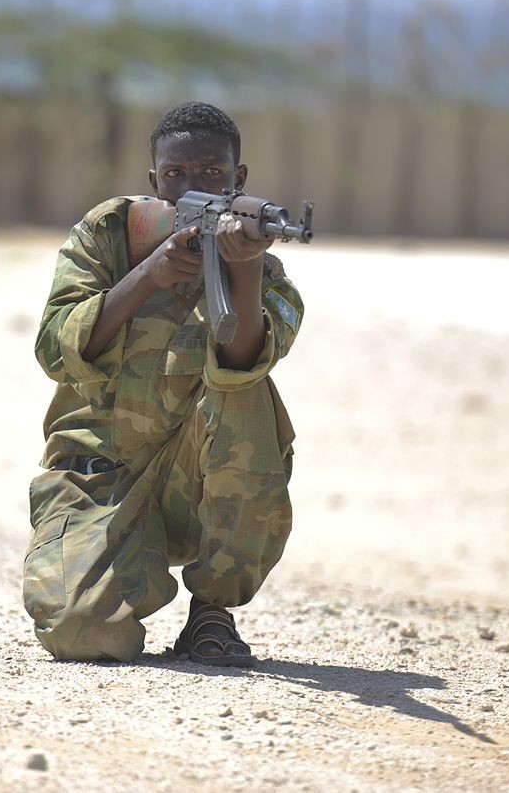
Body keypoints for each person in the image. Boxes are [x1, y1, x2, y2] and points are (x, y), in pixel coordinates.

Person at [23, 101, 304, 666]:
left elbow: (247, 358)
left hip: (197, 479)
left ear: (238, 179)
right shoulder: (110, 235)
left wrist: (243, 267)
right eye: (175, 175)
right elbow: (54, 348)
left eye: (211, 173)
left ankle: (211, 613)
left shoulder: (267, 273)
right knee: (83, 635)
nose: (191, 185)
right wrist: (146, 276)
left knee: (241, 391)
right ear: (154, 180)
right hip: (98, 476)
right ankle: (119, 573)